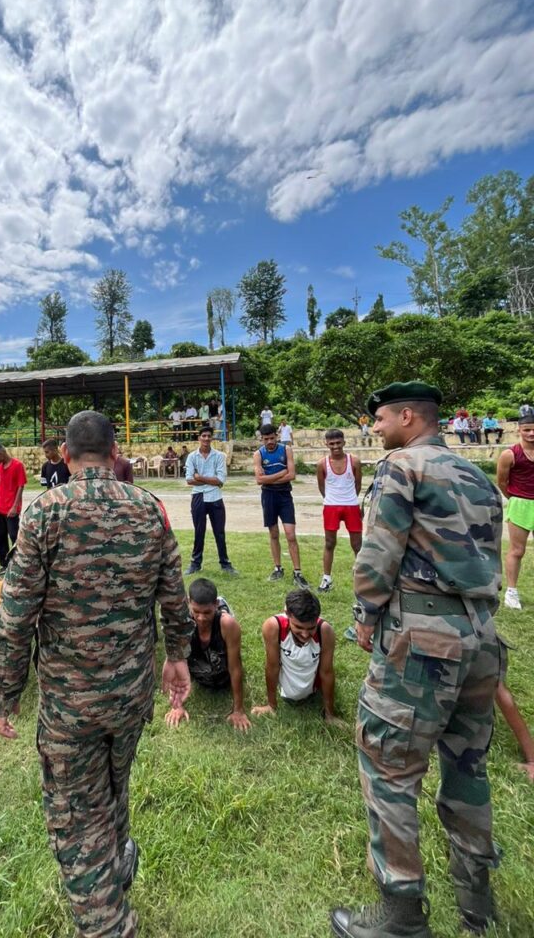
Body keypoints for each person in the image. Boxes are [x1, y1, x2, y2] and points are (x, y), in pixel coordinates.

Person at [0, 410, 193, 938]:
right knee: (114, 788)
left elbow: (15, 615)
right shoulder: (149, 509)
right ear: (115, 450)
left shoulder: (45, 513)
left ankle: (106, 924)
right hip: (130, 695)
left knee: (78, 816)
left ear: (65, 455)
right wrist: (177, 655)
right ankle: (117, 870)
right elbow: (174, 593)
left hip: (69, 705)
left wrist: (4, 689)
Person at [330, 381, 503, 938]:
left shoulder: (401, 467)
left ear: (408, 416)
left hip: (422, 640)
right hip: (481, 637)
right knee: (467, 765)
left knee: (388, 767)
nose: (375, 429)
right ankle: (477, 899)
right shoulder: (475, 472)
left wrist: (365, 617)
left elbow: (378, 553)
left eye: (380, 419)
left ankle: (401, 914)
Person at [165, 578, 250, 732]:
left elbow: (235, 667)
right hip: (199, 676)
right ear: (189, 602)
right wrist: (177, 706)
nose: (201, 618)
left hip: (223, 678)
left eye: (207, 612)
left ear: (216, 605)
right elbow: (176, 662)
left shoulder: (228, 625)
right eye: (196, 611)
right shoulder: (181, 623)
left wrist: (238, 710)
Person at [252, 589, 341, 726]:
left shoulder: (325, 631)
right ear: (287, 613)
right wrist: (271, 705)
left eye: (311, 628)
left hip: (314, 689)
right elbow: (272, 666)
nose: (305, 635)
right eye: (299, 627)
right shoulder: (273, 626)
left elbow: (327, 672)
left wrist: (330, 714)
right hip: (285, 687)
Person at [253, 423, 307, 585]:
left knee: (290, 534)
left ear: (276, 435)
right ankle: (278, 568)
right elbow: (259, 480)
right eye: (266, 439)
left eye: (272, 438)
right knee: (274, 533)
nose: (269, 441)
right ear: (261, 439)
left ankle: (297, 572)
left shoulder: (286, 450)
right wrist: (281, 472)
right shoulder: (258, 454)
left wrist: (271, 478)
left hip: (284, 495)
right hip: (268, 496)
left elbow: (292, 475)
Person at [184, 425, 237, 576]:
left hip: (215, 498)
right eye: (203, 436)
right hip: (198, 497)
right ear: (199, 438)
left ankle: (225, 563)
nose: (206, 439)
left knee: (219, 532)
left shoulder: (219, 456)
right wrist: (211, 480)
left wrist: (200, 477)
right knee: (199, 532)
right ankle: (195, 563)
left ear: (212, 438)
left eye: (209, 436)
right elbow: (189, 480)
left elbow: (221, 479)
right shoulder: (192, 457)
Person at [316, 429, 363, 592]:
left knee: (357, 544)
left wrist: (350, 499)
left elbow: (358, 484)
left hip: (351, 505)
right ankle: (327, 579)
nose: (335, 446)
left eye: (338, 443)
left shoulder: (354, 461)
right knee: (329, 543)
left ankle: (361, 577)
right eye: (332, 443)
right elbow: (322, 486)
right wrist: (332, 499)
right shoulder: (322, 463)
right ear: (326, 444)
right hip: (331, 506)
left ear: (344, 442)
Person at [496, 408, 534, 610]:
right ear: (519, 429)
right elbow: (502, 482)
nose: (531, 434)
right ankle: (512, 592)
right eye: (527, 429)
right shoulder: (510, 454)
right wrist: (515, 498)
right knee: (517, 550)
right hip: (520, 503)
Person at [0, 442, 27, 569]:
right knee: (0, 536)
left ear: (1, 453)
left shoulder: (17, 465)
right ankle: (4, 565)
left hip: (11, 508)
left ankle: (19, 562)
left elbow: (21, 486)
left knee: (14, 535)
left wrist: (15, 506)